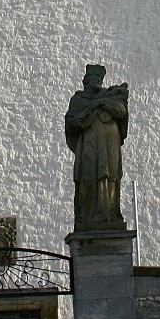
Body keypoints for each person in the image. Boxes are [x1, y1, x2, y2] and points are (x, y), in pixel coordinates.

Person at [64, 65, 129, 231]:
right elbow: (70, 122)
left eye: (99, 77)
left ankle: (110, 215)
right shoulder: (78, 99)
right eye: (93, 76)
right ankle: (86, 217)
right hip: (89, 146)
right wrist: (79, 120)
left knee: (110, 178)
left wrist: (101, 102)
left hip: (109, 147)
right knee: (88, 178)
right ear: (86, 79)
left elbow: (121, 111)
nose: (97, 80)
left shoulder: (111, 97)